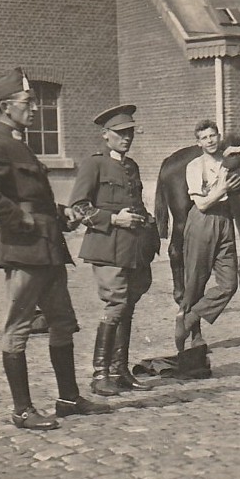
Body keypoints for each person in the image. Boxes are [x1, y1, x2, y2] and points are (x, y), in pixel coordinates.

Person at [0, 67, 110, 429]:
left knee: (62, 323)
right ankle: (22, 410)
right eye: (28, 103)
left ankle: (68, 398)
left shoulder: (19, 144)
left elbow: (33, 198)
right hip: (25, 250)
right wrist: (19, 220)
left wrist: (62, 215)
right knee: (19, 327)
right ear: (7, 106)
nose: (34, 109)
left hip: (47, 248)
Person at [70, 105, 159, 396]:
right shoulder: (93, 164)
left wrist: (147, 222)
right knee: (117, 304)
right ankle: (100, 374)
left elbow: (137, 202)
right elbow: (79, 206)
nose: (126, 138)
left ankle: (120, 371)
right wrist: (112, 218)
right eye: (120, 133)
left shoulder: (131, 166)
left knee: (128, 307)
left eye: (130, 132)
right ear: (105, 136)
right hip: (106, 245)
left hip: (132, 248)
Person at [174, 120, 240, 353]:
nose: (210, 141)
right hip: (203, 222)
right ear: (198, 142)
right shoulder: (194, 166)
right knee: (195, 281)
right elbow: (202, 203)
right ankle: (194, 337)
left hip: (225, 221)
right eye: (204, 138)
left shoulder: (229, 160)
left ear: (219, 136)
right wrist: (223, 189)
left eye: (213, 136)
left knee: (230, 284)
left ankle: (189, 317)